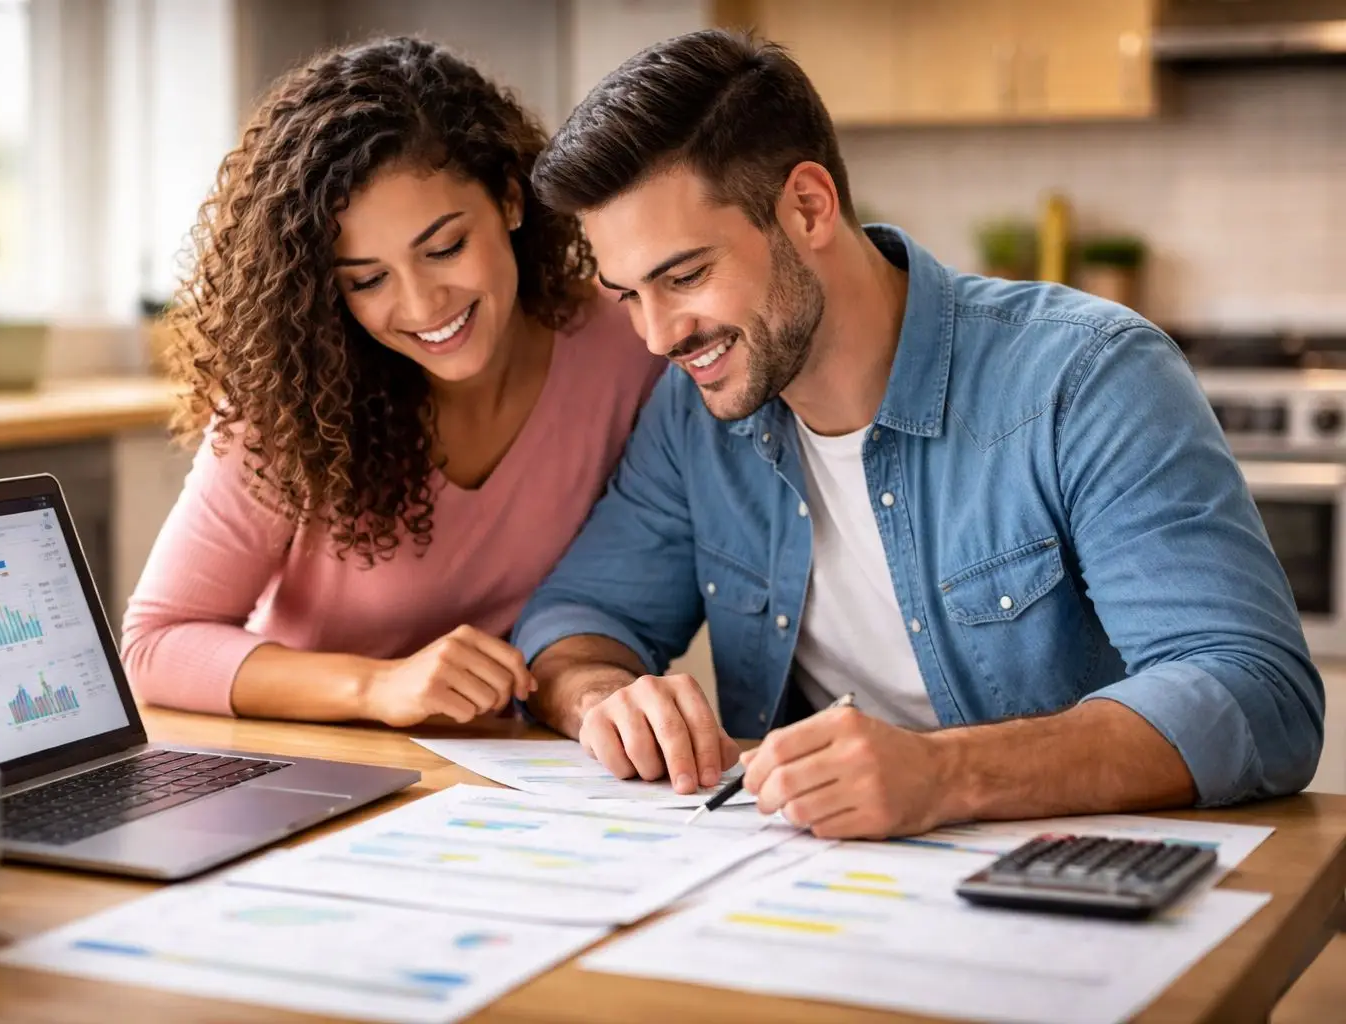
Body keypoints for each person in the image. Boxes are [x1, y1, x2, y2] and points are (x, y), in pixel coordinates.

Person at [512, 29, 1323, 838]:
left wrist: (946, 773)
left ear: (808, 208)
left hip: (1073, 888)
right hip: (821, 884)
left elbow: (1257, 694)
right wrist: (606, 699)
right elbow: (575, 617)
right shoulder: (693, 413)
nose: (656, 336)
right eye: (628, 295)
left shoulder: (1086, 377)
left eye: (684, 276)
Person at [121, 37, 661, 728]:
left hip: (512, 774)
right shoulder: (295, 400)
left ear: (509, 197)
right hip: (326, 761)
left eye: (444, 249)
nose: (421, 306)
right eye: (367, 280)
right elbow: (155, 643)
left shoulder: (629, 343)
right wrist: (380, 688)